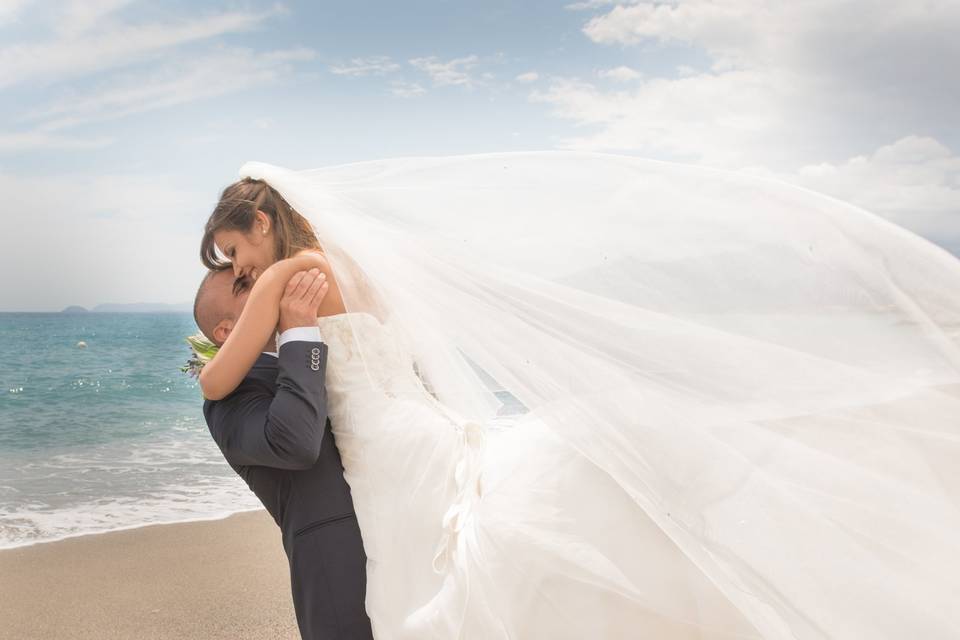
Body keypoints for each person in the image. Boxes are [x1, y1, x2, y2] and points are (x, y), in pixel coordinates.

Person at [194, 152, 960, 639]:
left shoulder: (296, 278)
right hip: (420, 420)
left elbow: (219, 377)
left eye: (236, 252)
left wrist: (213, 351)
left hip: (390, 449)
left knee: (459, 570)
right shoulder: (358, 266)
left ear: (263, 222)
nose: (244, 270)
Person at [193, 265, 373, 640]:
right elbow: (295, 444)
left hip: (402, 535)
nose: (265, 284)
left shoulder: (327, 352)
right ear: (226, 332)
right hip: (340, 571)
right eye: (246, 286)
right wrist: (298, 331)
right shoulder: (227, 399)